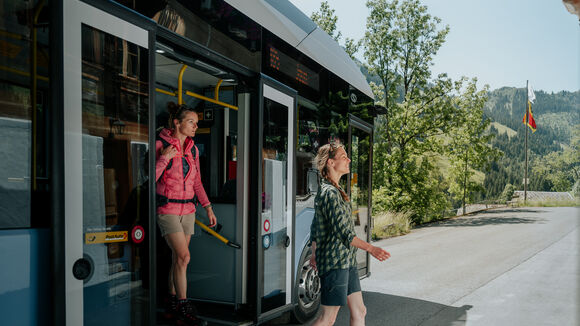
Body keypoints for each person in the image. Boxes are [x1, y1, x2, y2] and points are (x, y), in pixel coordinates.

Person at [310, 142, 391, 326]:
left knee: (360, 311)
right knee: (327, 319)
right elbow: (344, 233)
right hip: (335, 262)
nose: (349, 159)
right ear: (330, 163)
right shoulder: (329, 193)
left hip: (347, 261)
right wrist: (371, 249)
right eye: (343, 156)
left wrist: (314, 253)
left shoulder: (336, 190)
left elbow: (315, 227)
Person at [156, 102, 216, 326]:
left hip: (188, 210)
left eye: (197, 124)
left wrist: (208, 207)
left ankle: (171, 303)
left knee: (177, 259)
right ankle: (183, 305)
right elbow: (148, 177)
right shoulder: (161, 143)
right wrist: (165, 158)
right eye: (191, 122)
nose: (195, 127)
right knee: (184, 257)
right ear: (177, 123)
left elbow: (197, 182)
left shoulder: (193, 149)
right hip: (168, 209)